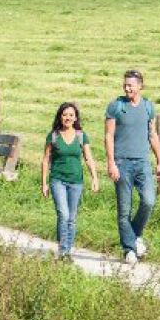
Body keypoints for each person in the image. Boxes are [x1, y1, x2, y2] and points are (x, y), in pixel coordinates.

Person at [105, 69, 160, 264]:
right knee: (124, 209)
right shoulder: (116, 106)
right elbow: (108, 136)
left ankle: (134, 235)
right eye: (125, 85)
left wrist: (159, 161)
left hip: (142, 163)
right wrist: (111, 163)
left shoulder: (148, 107)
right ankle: (129, 249)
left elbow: (153, 135)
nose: (127, 88)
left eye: (130, 85)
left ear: (140, 86)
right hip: (122, 163)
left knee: (148, 201)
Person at [41, 102, 100, 261]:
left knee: (72, 218)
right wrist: (44, 183)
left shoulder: (81, 136)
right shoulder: (53, 135)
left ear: (75, 118)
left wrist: (94, 178)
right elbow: (46, 160)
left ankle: (66, 251)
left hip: (76, 182)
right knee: (63, 214)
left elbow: (89, 158)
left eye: (71, 115)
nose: (68, 118)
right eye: (65, 114)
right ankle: (63, 252)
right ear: (60, 116)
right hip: (57, 180)